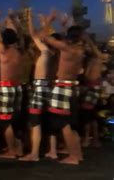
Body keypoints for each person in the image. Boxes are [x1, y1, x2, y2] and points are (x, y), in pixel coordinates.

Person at [39, 16, 86, 165]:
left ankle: (73, 157)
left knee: (64, 124)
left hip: (62, 88)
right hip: (72, 87)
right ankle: (77, 155)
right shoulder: (80, 50)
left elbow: (45, 37)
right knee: (71, 125)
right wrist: (66, 26)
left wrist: (48, 20)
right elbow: (67, 39)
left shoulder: (67, 48)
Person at [0, 11, 23, 159]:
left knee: (4, 121)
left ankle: (11, 150)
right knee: (15, 119)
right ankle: (18, 148)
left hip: (6, 88)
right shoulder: (19, 51)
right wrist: (14, 20)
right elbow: (18, 35)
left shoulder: (3, 51)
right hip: (17, 87)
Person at [19, 9, 54, 161]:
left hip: (39, 87)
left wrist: (31, 20)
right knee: (46, 121)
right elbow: (38, 35)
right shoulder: (50, 54)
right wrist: (45, 22)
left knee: (35, 121)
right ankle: (51, 150)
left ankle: (34, 154)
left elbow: (33, 35)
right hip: (45, 86)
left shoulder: (45, 51)